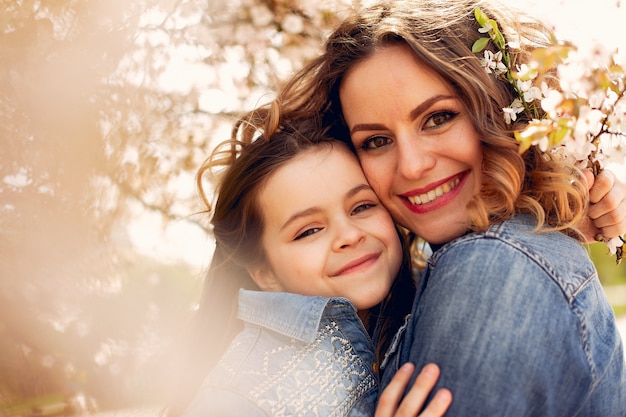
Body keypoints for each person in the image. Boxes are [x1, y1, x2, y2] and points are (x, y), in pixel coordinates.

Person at [261, 0, 626, 415]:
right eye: (376, 142)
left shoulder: (490, 268)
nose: (413, 166)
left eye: (438, 118)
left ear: (495, 107)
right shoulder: (500, 256)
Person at [174, 116, 452, 417]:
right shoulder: (235, 401)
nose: (349, 235)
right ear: (265, 273)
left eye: (362, 206)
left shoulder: (436, 302)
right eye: (309, 231)